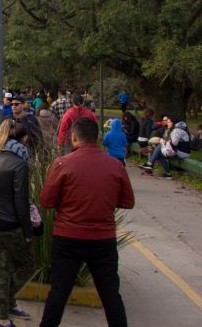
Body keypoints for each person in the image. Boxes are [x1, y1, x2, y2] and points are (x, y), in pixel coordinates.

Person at [40, 118, 134, 327]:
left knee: (59, 291)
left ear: (74, 137)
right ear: (98, 137)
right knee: (110, 293)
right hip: (103, 238)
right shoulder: (115, 165)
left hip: (68, 236)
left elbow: (46, 201)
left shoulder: (63, 163)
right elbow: (128, 201)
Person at [0, 120, 36, 327]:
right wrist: (28, 231)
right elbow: (21, 201)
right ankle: (1, 305)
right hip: (10, 224)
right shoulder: (19, 164)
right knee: (27, 265)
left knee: (2, 265)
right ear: (24, 139)